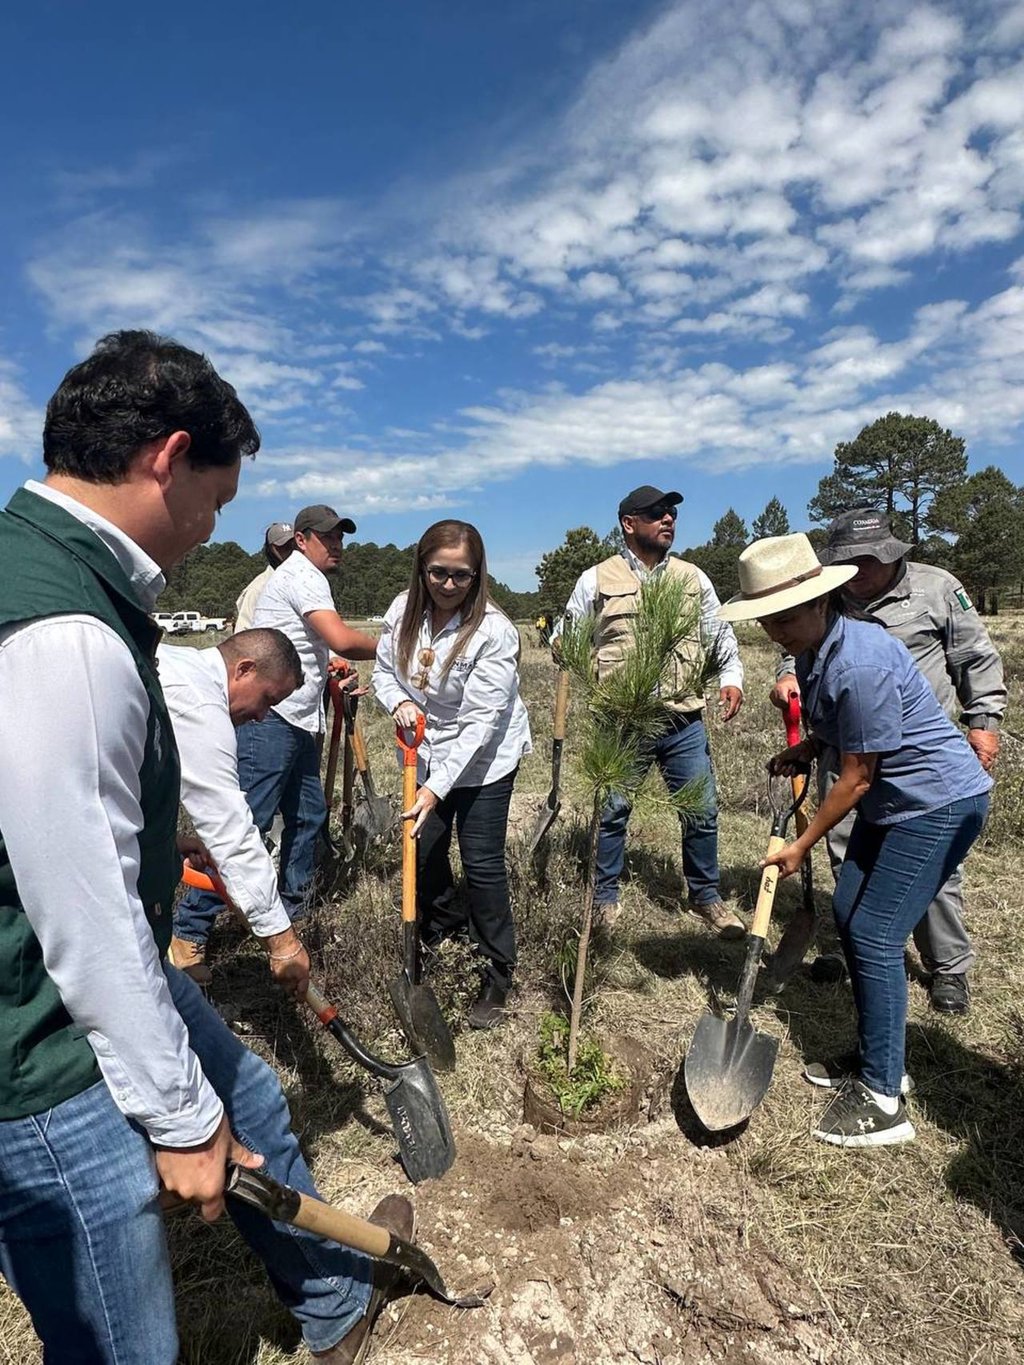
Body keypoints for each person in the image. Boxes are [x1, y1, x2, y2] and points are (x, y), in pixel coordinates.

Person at [0, 331, 411, 1364]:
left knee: (255, 1095)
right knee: (123, 1345)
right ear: (167, 457)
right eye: (217, 502)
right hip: (37, 1037)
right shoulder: (66, 632)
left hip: (88, 976)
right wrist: (180, 1118)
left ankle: (332, 1299)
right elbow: (80, 906)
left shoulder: (55, 576)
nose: (210, 528)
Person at [720, 533, 991, 1147]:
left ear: (822, 601)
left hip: (936, 804)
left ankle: (883, 1099)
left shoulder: (858, 658)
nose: (777, 630)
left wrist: (800, 845)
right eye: (767, 619)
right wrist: (808, 745)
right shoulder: (818, 647)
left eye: (787, 616)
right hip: (899, 802)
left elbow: (859, 777)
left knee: (875, 932)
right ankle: (880, 1052)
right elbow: (845, 729)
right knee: (849, 912)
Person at [769, 509, 1005, 1015]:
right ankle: (866, 950)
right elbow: (801, 648)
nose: (860, 571)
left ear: (891, 554)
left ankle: (947, 967)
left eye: (868, 560)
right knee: (849, 854)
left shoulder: (935, 588)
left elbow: (975, 656)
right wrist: (792, 686)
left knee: (929, 871)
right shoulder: (830, 606)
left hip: (919, 758)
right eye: (848, 562)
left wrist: (982, 719)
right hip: (849, 750)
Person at [556, 484, 745, 936]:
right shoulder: (595, 579)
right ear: (629, 523)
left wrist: (731, 677)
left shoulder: (692, 577)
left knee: (700, 808)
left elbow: (718, 632)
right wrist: (578, 663)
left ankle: (706, 896)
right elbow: (566, 636)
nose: (668, 520)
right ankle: (603, 897)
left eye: (672, 514)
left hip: (683, 717)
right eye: (657, 513)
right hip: (622, 718)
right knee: (613, 807)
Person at [372, 519, 531, 1028]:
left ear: (477, 576)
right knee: (425, 850)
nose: (448, 584)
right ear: (422, 568)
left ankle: (497, 972)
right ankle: (443, 935)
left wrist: (436, 790)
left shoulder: (494, 632)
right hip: (424, 751)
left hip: (485, 759)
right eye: (438, 572)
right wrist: (397, 699)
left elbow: (480, 723)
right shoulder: (402, 611)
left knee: (482, 864)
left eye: (461, 575)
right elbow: (380, 671)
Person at [247, 504, 378, 918]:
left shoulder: (302, 577)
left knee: (307, 814)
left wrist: (326, 667)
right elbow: (339, 636)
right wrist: (397, 645)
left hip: (298, 717)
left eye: (340, 537)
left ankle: (295, 912)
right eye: (328, 537)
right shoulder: (304, 575)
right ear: (301, 541)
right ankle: (192, 927)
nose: (336, 545)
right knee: (250, 822)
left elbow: (308, 643)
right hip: (272, 717)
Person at [164, 628, 312, 987]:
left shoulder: (180, 665)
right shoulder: (200, 706)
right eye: (267, 700)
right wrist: (282, 941)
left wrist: (165, 841)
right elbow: (231, 832)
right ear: (244, 669)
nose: (262, 716)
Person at [234, 520, 295, 631]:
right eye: (284, 547)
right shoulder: (257, 589)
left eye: (293, 546)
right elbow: (243, 631)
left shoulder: (306, 580)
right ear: (270, 549)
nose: (290, 551)